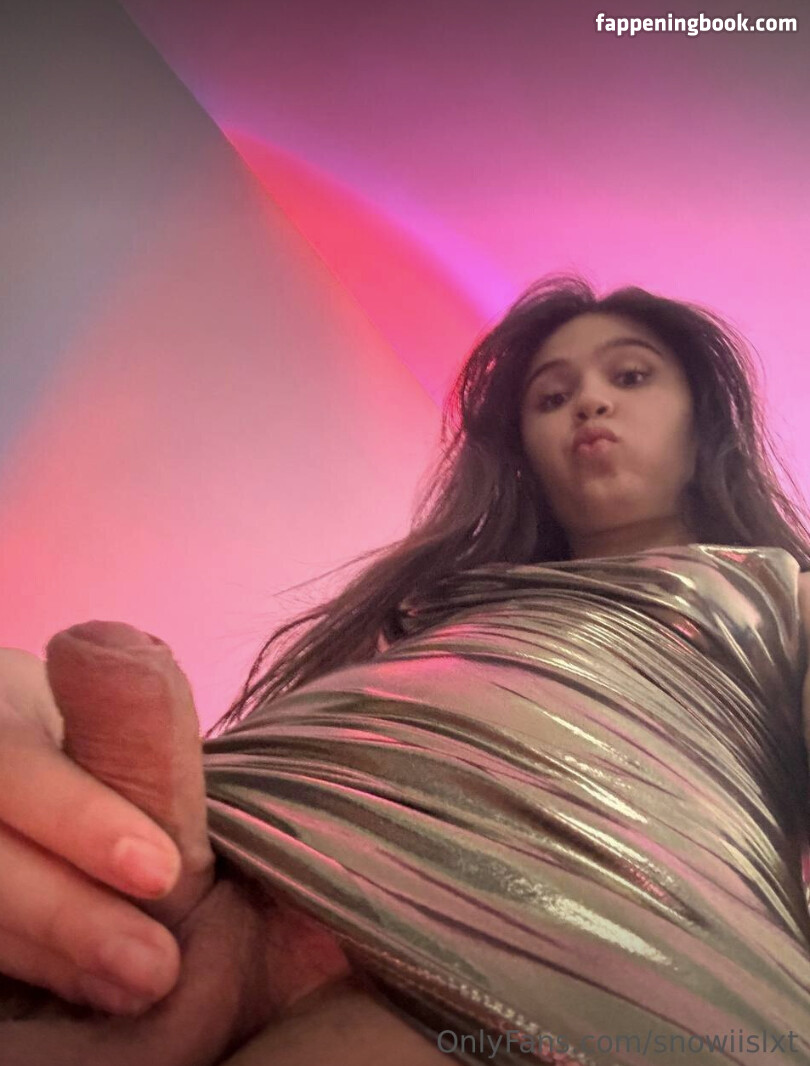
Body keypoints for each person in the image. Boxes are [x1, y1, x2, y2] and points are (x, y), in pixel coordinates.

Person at [1, 273, 809, 1065]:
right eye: (551, 397)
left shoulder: (785, 592)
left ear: (704, 423)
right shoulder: (442, 613)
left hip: (586, 957)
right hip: (228, 900)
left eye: (629, 376)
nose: (590, 402)